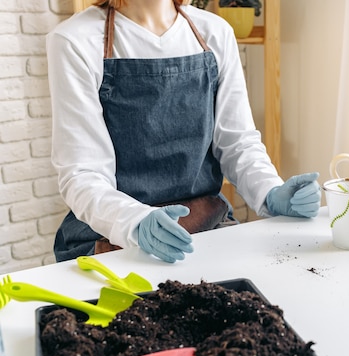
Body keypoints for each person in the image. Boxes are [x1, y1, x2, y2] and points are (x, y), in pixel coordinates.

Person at [47, 0, 320, 263]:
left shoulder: (215, 32)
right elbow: (82, 173)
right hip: (113, 233)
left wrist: (271, 192)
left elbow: (238, 143)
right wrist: (136, 222)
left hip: (205, 223)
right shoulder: (75, 40)